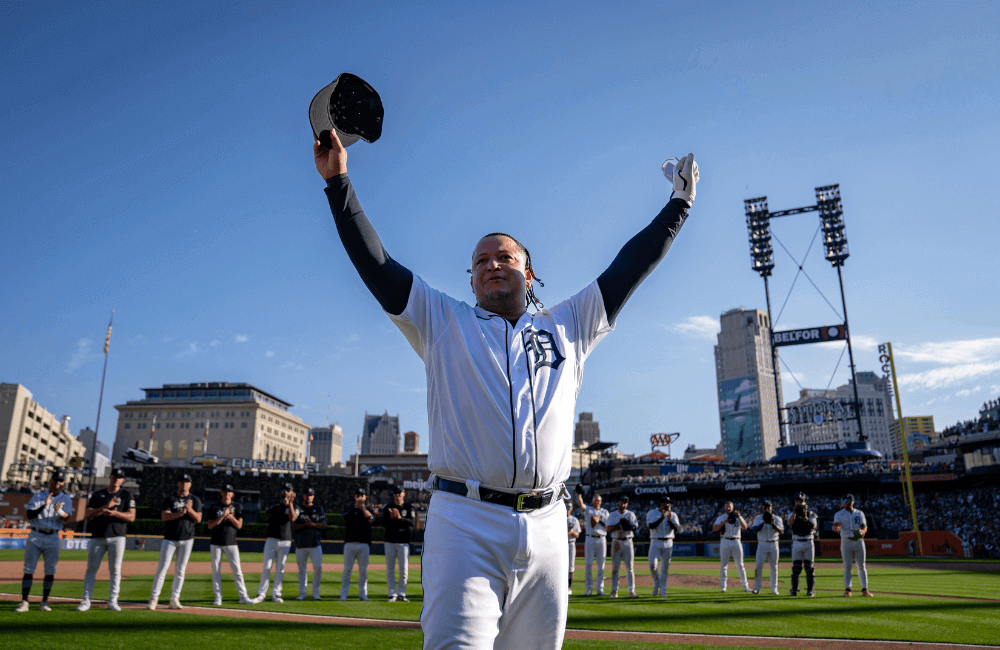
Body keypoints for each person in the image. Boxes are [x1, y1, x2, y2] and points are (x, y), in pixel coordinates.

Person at [315, 127, 697, 649]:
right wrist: (339, 183)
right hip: (465, 521)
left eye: (505, 257)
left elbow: (630, 267)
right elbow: (376, 264)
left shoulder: (571, 324)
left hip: (548, 525)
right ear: (471, 281)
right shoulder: (440, 320)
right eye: (481, 261)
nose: (493, 264)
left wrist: (678, 205)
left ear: (530, 274)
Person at [79, 467, 135, 611]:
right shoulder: (98, 495)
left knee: (115, 570)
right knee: (91, 568)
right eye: (115, 476)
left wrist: (115, 514)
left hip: (117, 537)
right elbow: (87, 514)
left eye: (120, 477)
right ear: (110, 477)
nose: (117, 479)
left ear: (122, 480)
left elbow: (132, 516)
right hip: (98, 536)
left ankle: (113, 600)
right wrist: (105, 508)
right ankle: (86, 600)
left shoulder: (126, 494)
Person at [16, 469, 73, 612]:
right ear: (50, 481)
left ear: (63, 483)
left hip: (53, 535)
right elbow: (29, 514)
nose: (57, 483)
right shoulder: (38, 496)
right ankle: (24, 601)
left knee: (50, 570)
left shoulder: (65, 498)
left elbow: (67, 518)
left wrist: (59, 511)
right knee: (28, 568)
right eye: (55, 480)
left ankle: (44, 602)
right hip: (36, 534)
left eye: (60, 481)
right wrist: (44, 505)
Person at [148, 474, 202, 610]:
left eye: (187, 482)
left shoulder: (195, 500)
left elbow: (198, 519)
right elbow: (165, 516)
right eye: (182, 482)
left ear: (190, 485)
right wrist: (181, 513)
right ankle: (154, 598)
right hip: (170, 539)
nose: (184, 484)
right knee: (162, 568)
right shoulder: (170, 499)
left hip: (187, 539)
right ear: (178, 483)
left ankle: (174, 599)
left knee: (180, 570)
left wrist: (189, 510)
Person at [205, 484, 257, 606]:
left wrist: (231, 517)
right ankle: (218, 597)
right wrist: (223, 515)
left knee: (237, 570)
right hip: (216, 543)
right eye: (225, 491)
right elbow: (210, 525)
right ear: (221, 493)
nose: (227, 494)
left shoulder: (237, 507)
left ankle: (243, 596)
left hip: (231, 543)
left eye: (229, 492)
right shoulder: (214, 507)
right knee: (216, 571)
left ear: (232, 495)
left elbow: (239, 525)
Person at [256, 483, 298, 603]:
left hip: (285, 541)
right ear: (281, 492)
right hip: (272, 539)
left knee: (280, 569)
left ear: (292, 493)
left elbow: (293, 518)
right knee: (267, 567)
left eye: (289, 490)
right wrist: (283, 503)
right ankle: (261, 593)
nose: (286, 492)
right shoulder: (275, 504)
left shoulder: (295, 506)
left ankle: (276, 594)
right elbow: (266, 512)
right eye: (284, 490)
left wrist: (290, 503)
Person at [833, 493, 873, 597]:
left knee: (862, 565)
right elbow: (835, 527)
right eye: (846, 501)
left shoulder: (859, 513)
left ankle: (865, 589)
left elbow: (864, 527)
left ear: (853, 502)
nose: (847, 502)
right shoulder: (838, 514)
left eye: (849, 501)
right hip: (846, 540)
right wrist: (836, 529)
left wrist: (863, 532)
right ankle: (848, 589)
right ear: (843, 502)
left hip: (859, 541)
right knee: (847, 566)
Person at [293, 487, 327, 601]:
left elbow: (324, 524)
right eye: (307, 494)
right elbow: (292, 525)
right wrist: (305, 525)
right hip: (300, 544)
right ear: (303, 496)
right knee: (302, 570)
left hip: (315, 544)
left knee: (318, 567)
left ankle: (315, 592)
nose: (309, 496)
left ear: (313, 496)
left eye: (311, 495)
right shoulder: (298, 508)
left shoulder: (318, 509)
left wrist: (313, 524)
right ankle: (302, 592)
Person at [382, 486, 415, 602]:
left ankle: (402, 594)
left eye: (399, 492)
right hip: (390, 541)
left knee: (404, 570)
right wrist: (391, 517)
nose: (397, 495)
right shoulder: (388, 507)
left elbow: (412, 522)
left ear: (403, 494)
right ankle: (392, 594)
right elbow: (383, 523)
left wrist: (400, 518)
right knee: (390, 569)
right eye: (395, 493)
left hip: (404, 542)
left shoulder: (408, 507)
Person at [341, 488, 374, 601]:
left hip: (364, 543)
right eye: (358, 495)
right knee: (347, 570)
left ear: (365, 497)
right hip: (349, 543)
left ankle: (363, 594)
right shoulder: (349, 507)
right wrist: (356, 506)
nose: (360, 497)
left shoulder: (368, 508)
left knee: (363, 571)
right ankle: (344, 594)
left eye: (362, 495)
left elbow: (371, 519)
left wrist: (362, 507)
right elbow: (345, 517)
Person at [575, 490, 610, 596]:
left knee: (601, 565)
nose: (597, 502)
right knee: (588, 564)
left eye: (598, 500)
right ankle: (588, 589)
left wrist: (600, 521)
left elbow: (608, 527)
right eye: (595, 500)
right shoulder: (589, 510)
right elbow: (581, 505)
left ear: (601, 501)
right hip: (590, 538)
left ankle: (600, 589)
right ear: (593, 501)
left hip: (601, 538)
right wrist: (579, 494)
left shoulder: (605, 512)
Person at [712, 501, 750, 593]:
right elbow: (715, 528)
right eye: (726, 506)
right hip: (725, 540)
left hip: (736, 540)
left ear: (733, 508)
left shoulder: (738, 517)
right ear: (724, 507)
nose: (728, 507)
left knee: (740, 565)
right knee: (724, 566)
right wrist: (724, 522)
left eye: (729, 506)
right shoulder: (721, 517)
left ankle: (745, 586)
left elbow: (745, 527)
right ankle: (723, 587)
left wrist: (739, 516)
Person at [605, 495, 639, 598]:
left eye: (625, 502)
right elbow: (608, 528)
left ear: (627, 504)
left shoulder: (630, 514)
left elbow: (634, 527)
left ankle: (631, 591)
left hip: (628, 541)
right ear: (618, 502)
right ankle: (614, 591)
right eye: (621, 502)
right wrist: (618, 525)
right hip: (616, 541)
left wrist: (626, 524)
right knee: (615, 568)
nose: (623, 504)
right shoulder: (612, 514)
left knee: (630, 568)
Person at [646, 497, 680, 597]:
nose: (669, 504)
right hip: (655, 541)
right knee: (652, 564)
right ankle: (657, 582)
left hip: (668, 542)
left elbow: (677, 528)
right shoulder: (652, 513)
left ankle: (663, 591)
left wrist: (669, 520)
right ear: (662, 503)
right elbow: (651, 526)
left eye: (670, 503)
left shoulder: (673, 514)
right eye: (667, 503)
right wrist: (661, 518)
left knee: (664, 569)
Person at [787, 492, 818, 597]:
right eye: (797, 501)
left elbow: (813, 526)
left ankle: (810, 590)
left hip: (808, 540)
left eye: (801, 502)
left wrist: (805, 515)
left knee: (809, 567)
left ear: (805, 503)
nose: (799, 503)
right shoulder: (791, 513)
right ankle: (794, 590)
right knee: (796, 567)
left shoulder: (811, 513)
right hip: (797, 541)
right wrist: (794, 513)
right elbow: (789, 523)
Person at [750, 500, 783, 595]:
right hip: (762, 544)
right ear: (763, 508)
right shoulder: (758, 518)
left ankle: (774, 588)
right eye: (765, 507)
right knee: (758, 566)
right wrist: (763, 522)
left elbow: (781, 532)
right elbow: (755, 530)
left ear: (771, 508)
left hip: (774, 543)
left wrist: (773, 523)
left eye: (769, 507)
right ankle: (757, 588)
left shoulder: (777, 518)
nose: (767, 508)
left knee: (774, 567)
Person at [566, 500, 581, 595]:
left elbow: (577, 534)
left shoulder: (574, 520)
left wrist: (571, 532)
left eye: (569, 507)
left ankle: (569, 587)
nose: (567, 508)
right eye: (566, 506)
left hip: (570, 543)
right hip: (561, 544)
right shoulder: (558, 518)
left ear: (571, 508)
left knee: (571, 566)